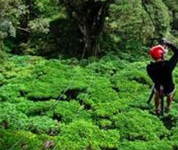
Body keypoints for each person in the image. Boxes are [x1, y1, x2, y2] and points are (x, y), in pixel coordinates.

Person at [147, 39, 178, 115]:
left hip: (158, 87)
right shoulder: (168, 66)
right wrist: (169, 43)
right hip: (168, 88)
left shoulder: (149, 67)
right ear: (161, 55)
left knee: (156, 95)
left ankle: (157, 109)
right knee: (170, 95)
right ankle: (167, 107)